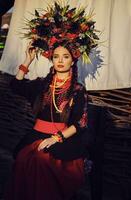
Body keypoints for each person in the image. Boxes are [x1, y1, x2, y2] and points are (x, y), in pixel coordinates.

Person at [5, 2, 99, 200]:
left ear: (73, 60)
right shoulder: (43, 85)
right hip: (36, 133)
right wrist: (27, 61)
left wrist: (54, 139)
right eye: (56, 56)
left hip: (62, 138)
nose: (60, 60)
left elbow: (79, 124)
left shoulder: (77, 90)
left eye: (65, 56)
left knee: (43, 159)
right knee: (24, 158)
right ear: (52, 59)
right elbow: (15, 86)